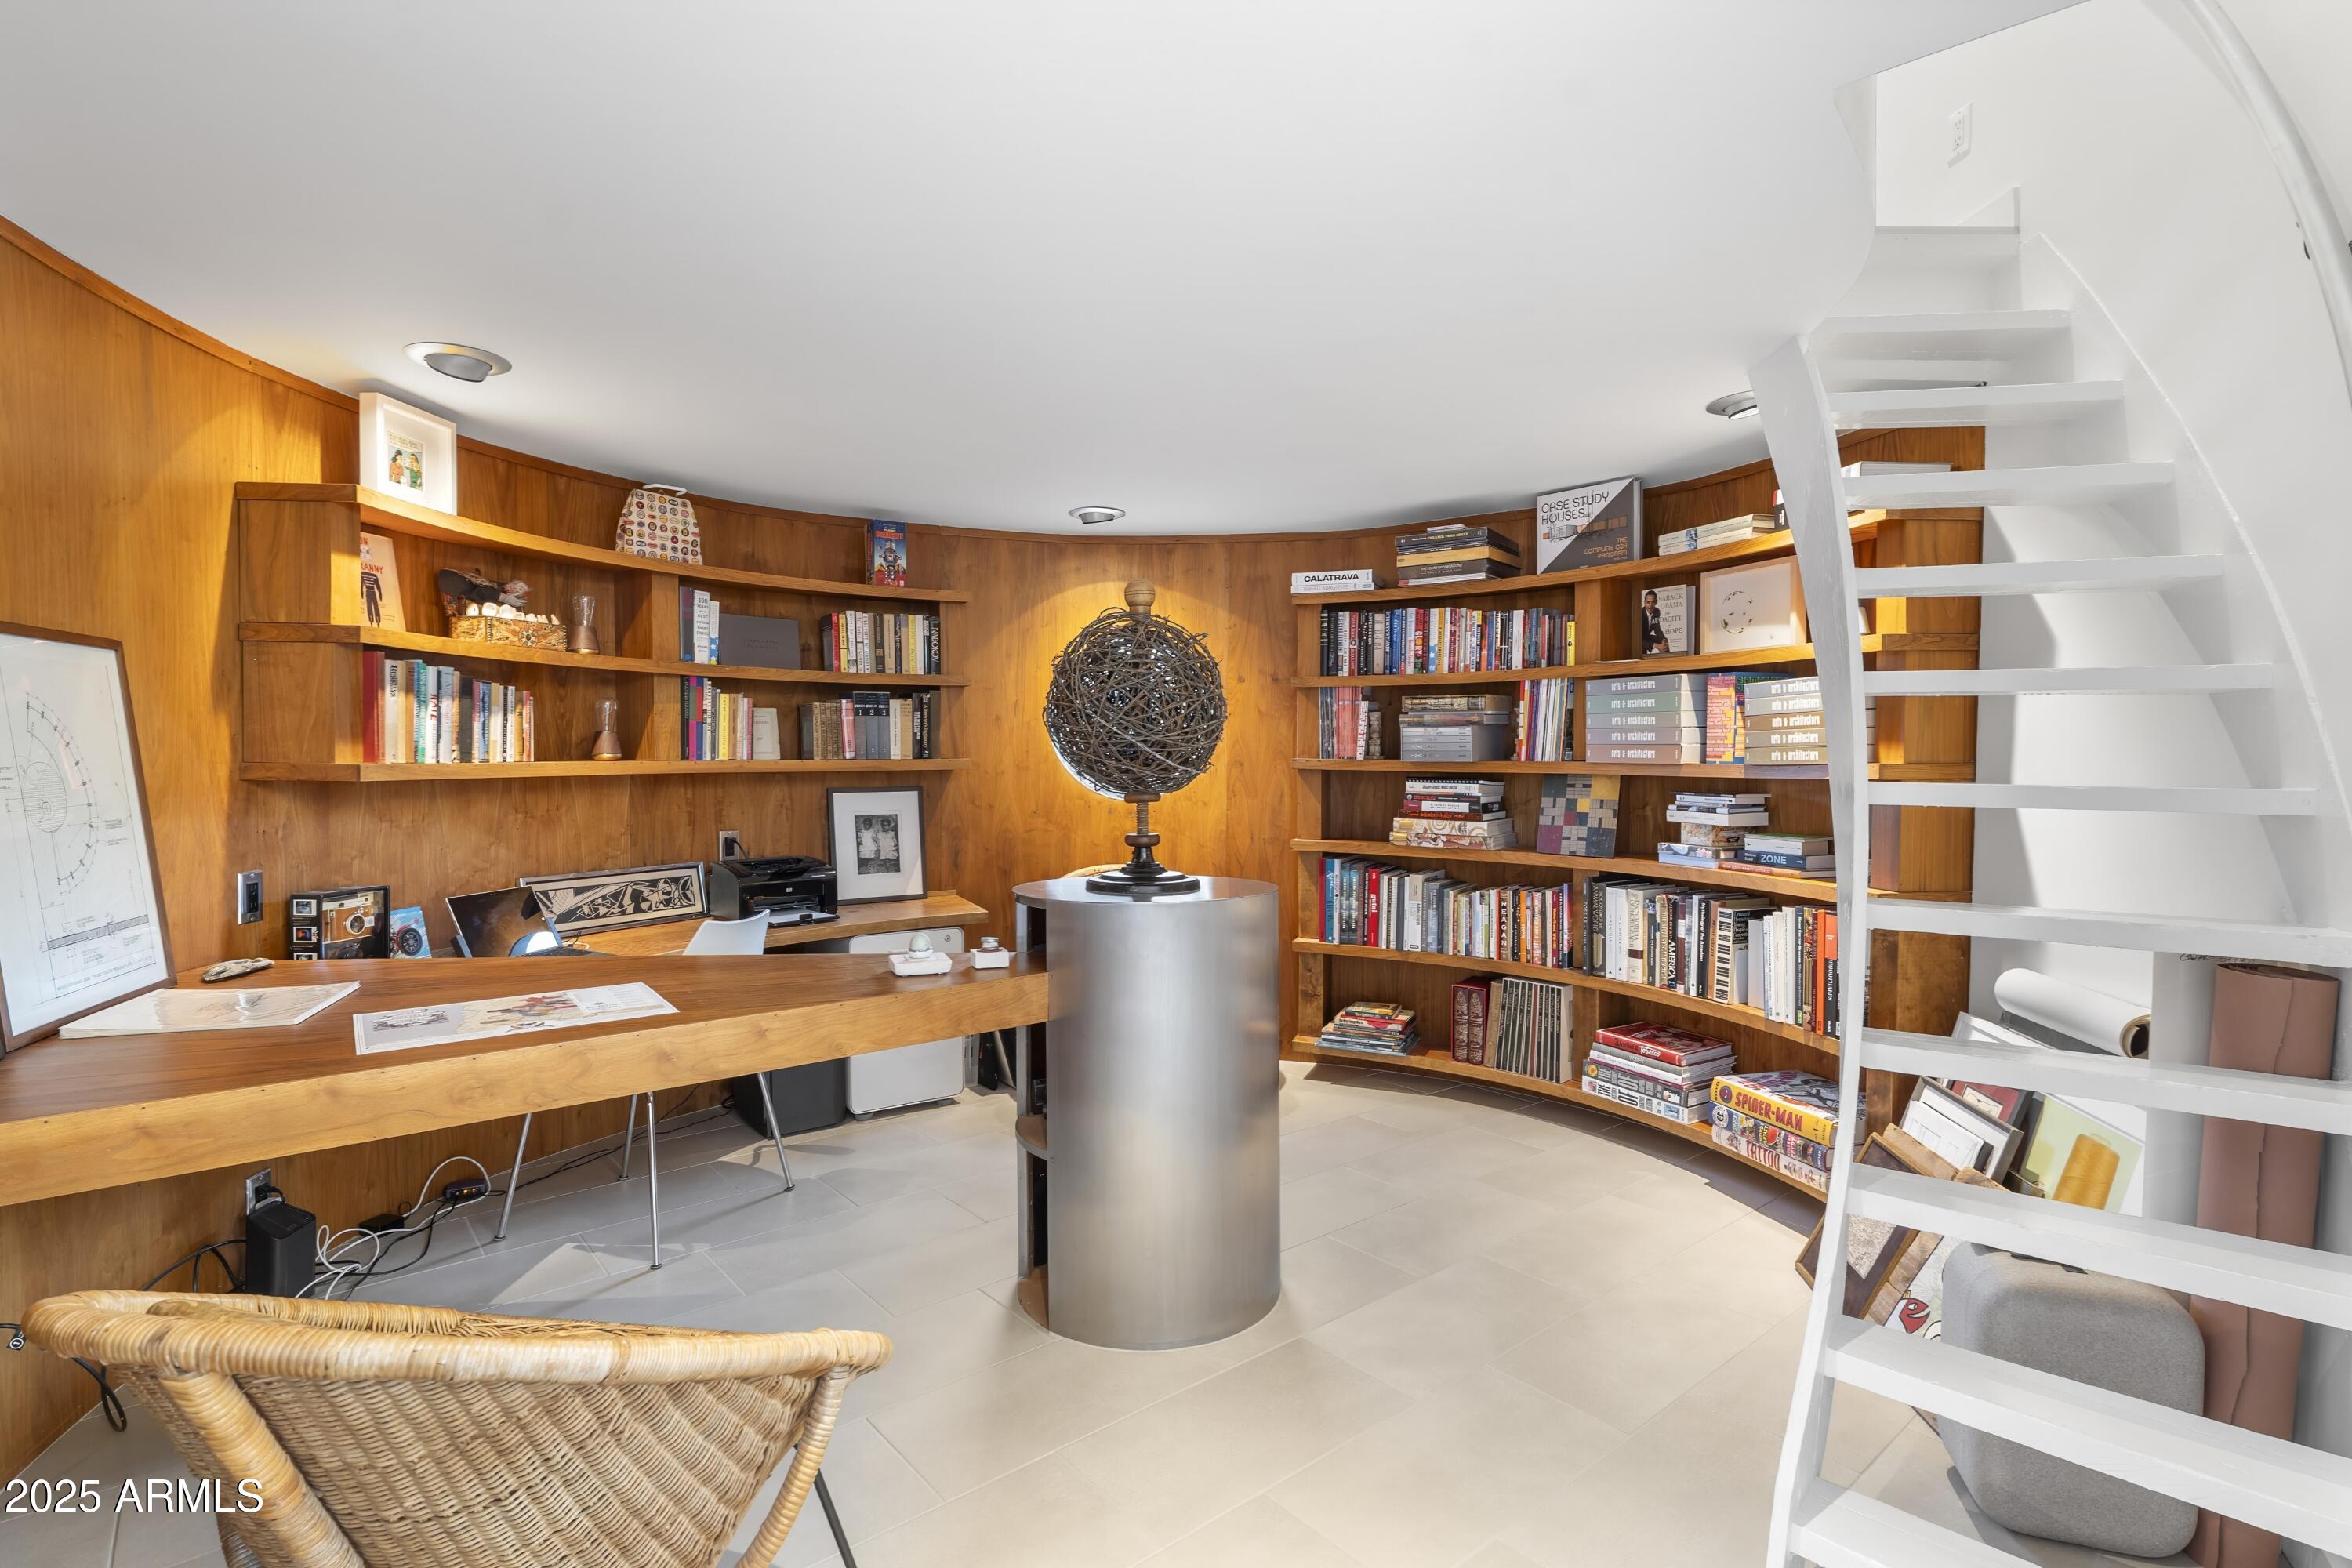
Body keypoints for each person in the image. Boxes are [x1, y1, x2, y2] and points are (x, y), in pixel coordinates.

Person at [1639, 587, 1669, 654]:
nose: (1650, 605)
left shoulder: (1657, 611)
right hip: (1639, 640)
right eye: (1648, 602)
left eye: (1653, 602)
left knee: (1665, 643)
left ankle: (1667, 661)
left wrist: (1663, 640)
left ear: (1656, 602)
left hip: (1647, 637)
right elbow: (1637, 639)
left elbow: (1657, 629)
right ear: (1644, 602)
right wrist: (1656, 645)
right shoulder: (1639, 614)